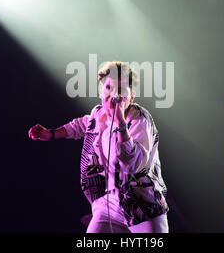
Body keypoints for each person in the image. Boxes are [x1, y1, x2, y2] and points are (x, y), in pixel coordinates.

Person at [28, 61, 169, 233]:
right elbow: (80, 125)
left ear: (131, 97)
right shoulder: (98, 114)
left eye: (121, 90)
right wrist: (50, 133)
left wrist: (120, 123)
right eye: (109, 87)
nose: (114, 95)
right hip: (108, 203)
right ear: (101, 92)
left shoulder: (139, 119)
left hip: (141, 203)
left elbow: (132, 165)